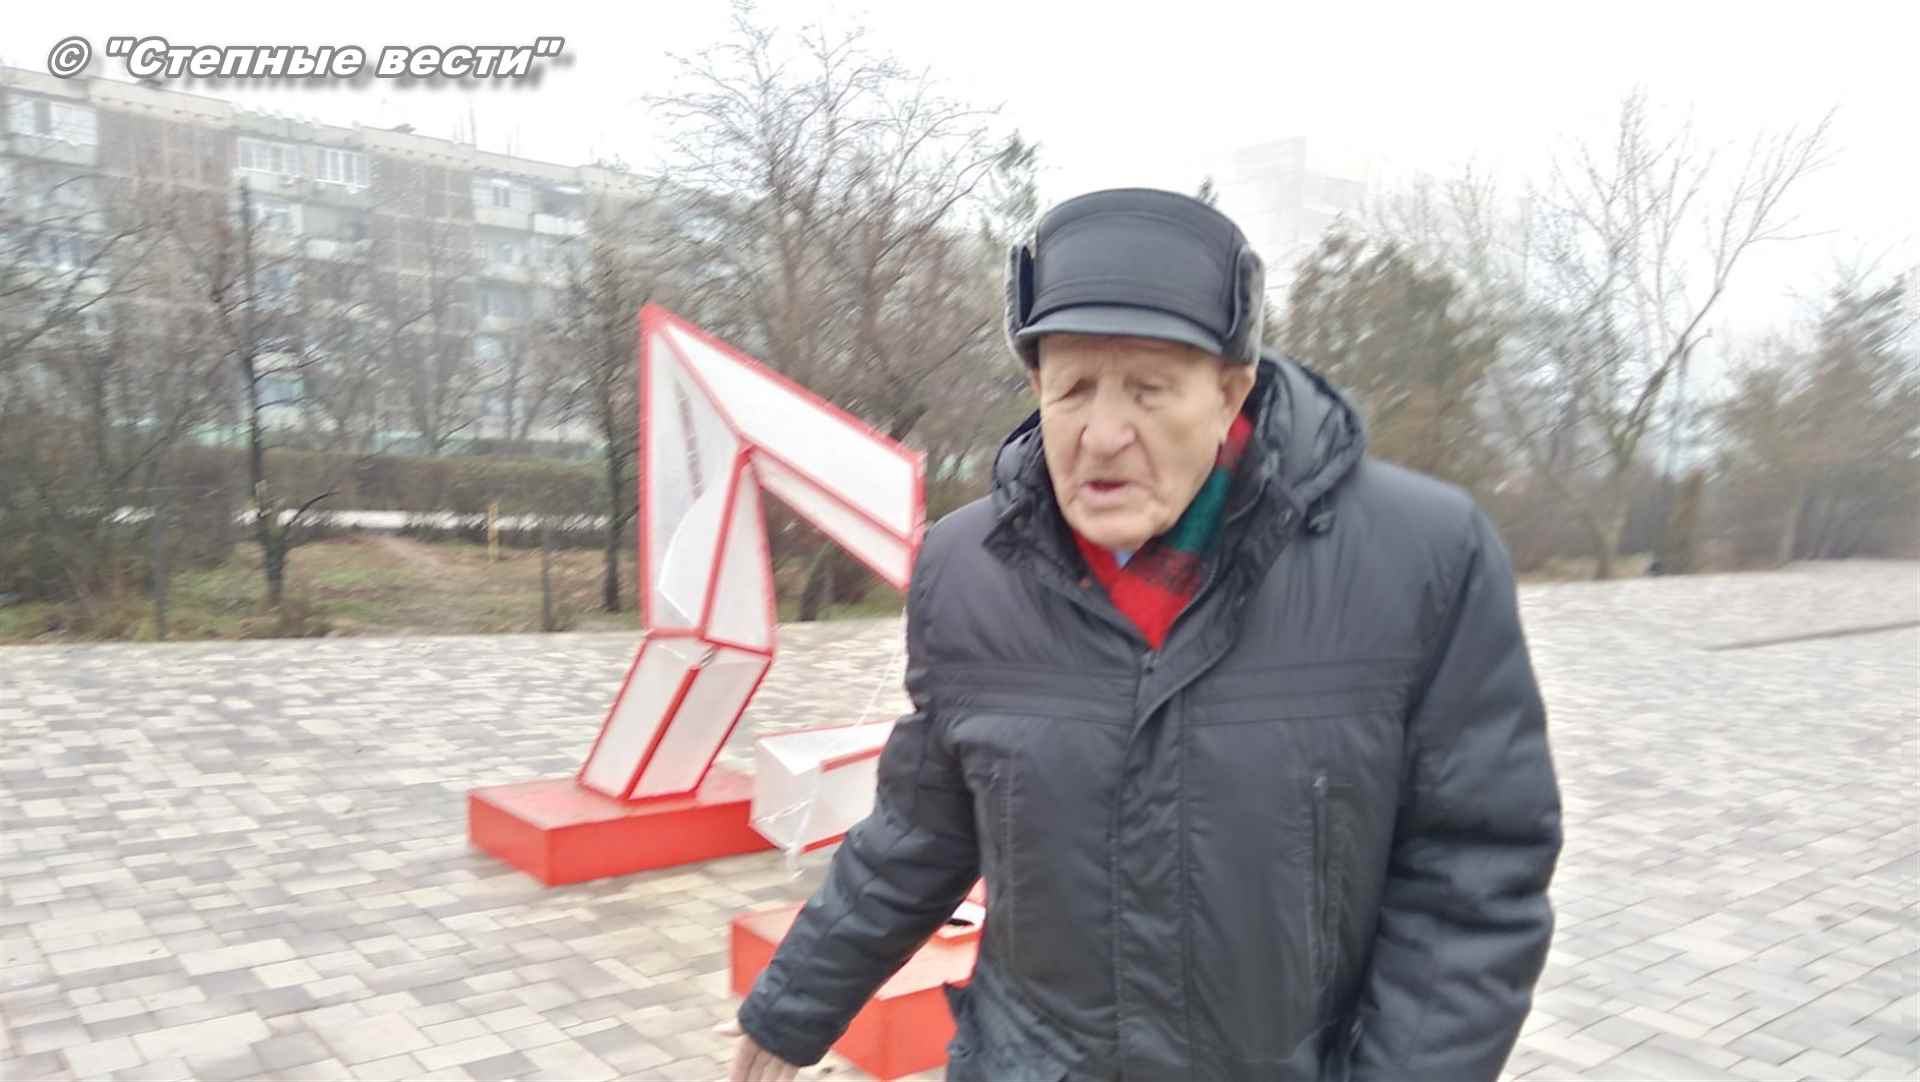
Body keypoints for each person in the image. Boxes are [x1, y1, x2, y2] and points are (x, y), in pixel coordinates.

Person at [729, 187, 1563, 1082]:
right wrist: (792, 1008)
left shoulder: (1421, 557)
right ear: (1036, 390)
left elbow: (1473, 873)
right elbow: (921, 830)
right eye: (1073, 388)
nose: (1102, 435)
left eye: (1149, 390)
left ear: (1231, 391)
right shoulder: (967, 570)